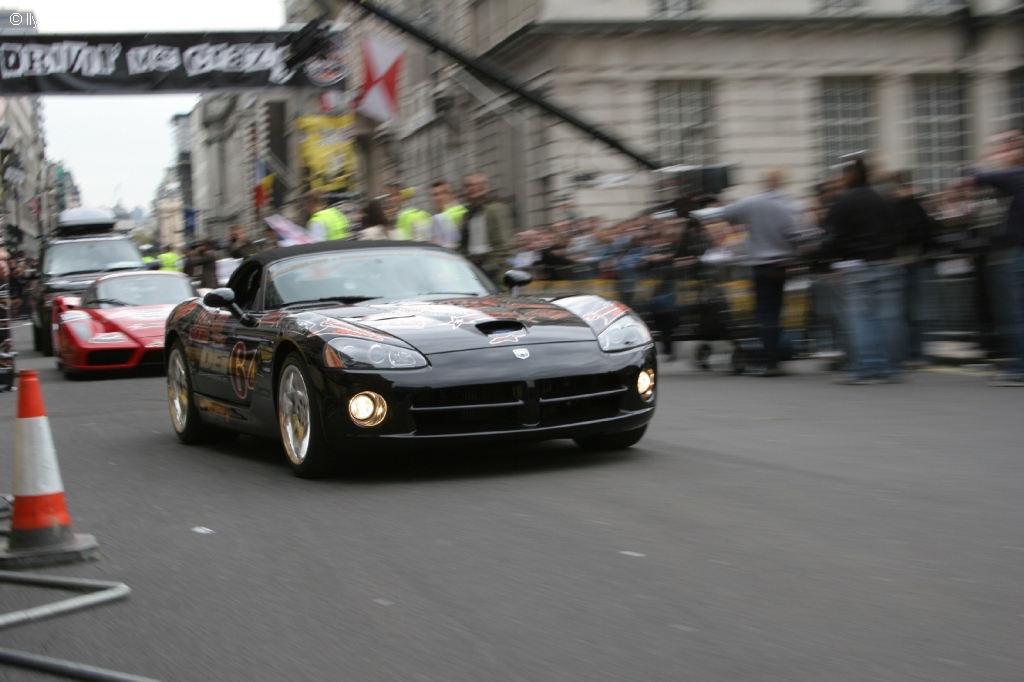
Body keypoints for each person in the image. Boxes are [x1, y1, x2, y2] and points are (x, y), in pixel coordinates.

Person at [820, 156, 903, 384]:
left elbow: (833, 237)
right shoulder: (881, 198)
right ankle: (887, 365)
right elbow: (895, 230)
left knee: (861, 317)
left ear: (849, 176)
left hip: (857, 264)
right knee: (885, 318)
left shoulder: (843, 200)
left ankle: (866, 366)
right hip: (885, 262)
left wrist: (827, 261)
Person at [721, 169, 804, 376]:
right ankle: (775, 354)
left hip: (760, 263)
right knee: (776, 311)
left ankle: (769, 361)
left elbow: (727, 213)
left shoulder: (753, 202)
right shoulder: (787, 204)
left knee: (764, 313)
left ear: (765, 182)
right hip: (781, 264)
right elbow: (794, 234)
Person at [964, 130, 1024, 386]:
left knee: (1011, 314)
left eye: (1011, 146)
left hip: (1011, 253)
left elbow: (971, 175)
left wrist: (991, 156)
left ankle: (1018, 367)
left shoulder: (1015, 175)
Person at [458, 173, 514, 281]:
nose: (470, 188)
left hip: (494, 267)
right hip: (474, 266)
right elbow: (464, 244)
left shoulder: (497, 209)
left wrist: (496, 265)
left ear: (485, 186)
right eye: (467, 185)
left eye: (474, 184)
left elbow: (504, 243)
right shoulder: (468, 214)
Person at [429, 180, 465, 249]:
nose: (438, 198)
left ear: (452, 195)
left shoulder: (456, 212)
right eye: (435, 195)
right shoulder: (439, 216)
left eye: (443, 193)